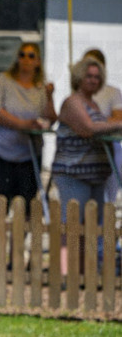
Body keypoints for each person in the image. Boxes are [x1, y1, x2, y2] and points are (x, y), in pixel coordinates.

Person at [0, 41, 57, 219]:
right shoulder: (3, 81)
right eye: (22, 55)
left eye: (31, 56)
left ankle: (18, 246)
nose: (26, 59)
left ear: (38, 61)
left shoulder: (40, 88)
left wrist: (50, 96)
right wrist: (23, 125)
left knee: (27, 203)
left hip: (28, 153)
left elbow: (50, 119)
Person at [52, 55, 122, 226]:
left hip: (96, 175)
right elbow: (88, 128)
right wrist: (118, 123)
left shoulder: (93, 104)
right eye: (89, 76)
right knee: (71, 225)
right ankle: (64, 254)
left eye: (97, 77)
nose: (93, 80)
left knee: (91, 227)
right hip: (74, 174)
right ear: (79, 77)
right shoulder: (73, 102)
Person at [82, 48, 122, 203]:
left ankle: (108, 211)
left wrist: (94, 124)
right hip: (85, 147)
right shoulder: (77, 95)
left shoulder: (112, 92)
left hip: (109, 146)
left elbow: (118, 120)